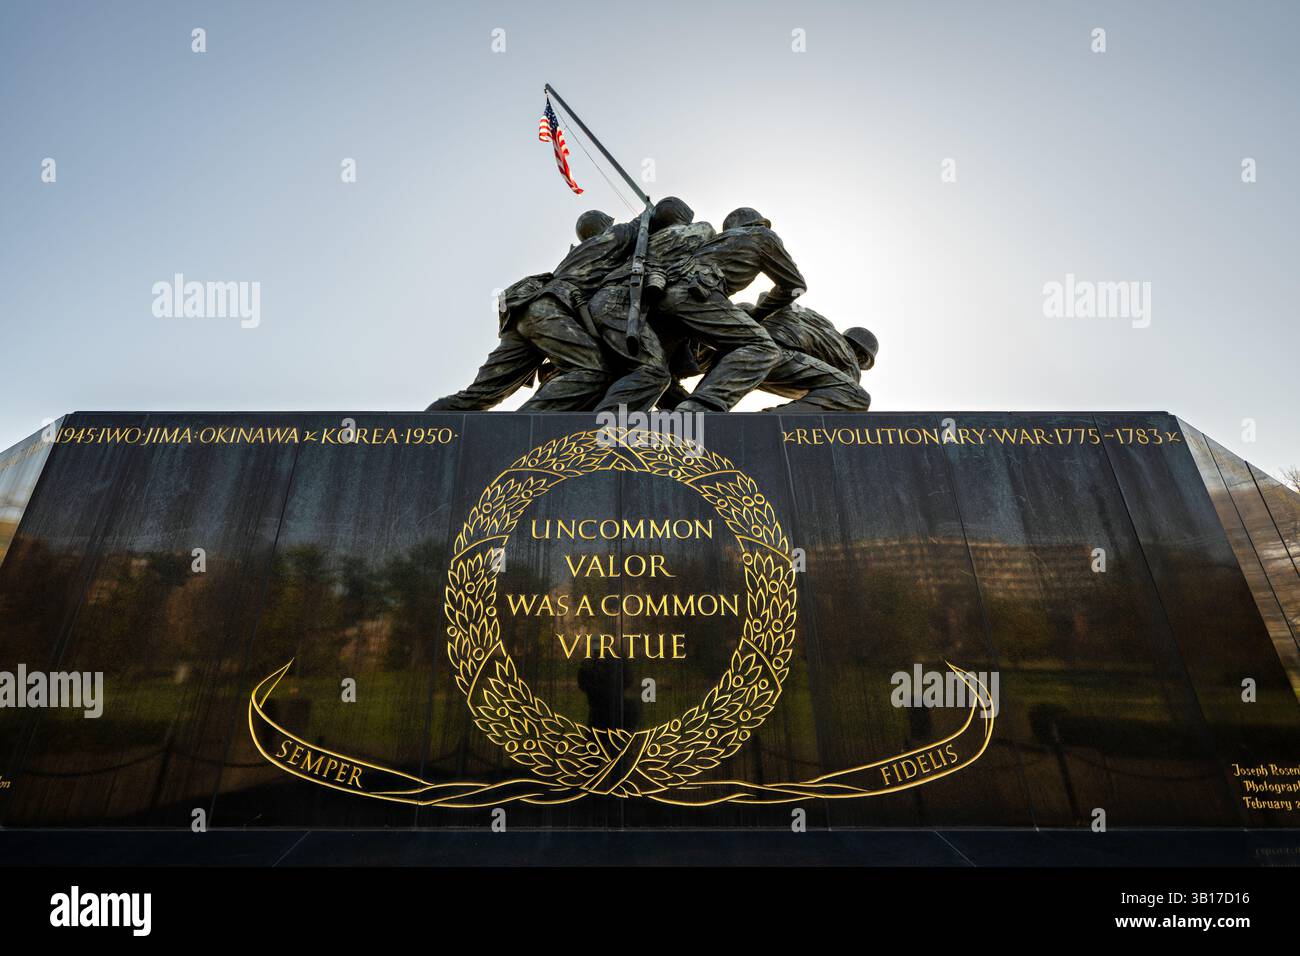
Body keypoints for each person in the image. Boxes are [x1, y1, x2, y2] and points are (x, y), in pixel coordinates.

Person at [425, 210, 636, 411]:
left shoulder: (575, 255)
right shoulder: (611, 238)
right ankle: (522, 427)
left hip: (524, 315)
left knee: (482, 394)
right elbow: (649, 219)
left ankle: (422, 432)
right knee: (595, 370)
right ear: (605, 227)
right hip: (548, 314)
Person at [650, 207, 806, 412]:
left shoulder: (714, 242)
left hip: (661, 299)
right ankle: (696, 411)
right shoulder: (762, 236)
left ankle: (677, 414)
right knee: (762, 348)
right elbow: (794, 286)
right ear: (758, 223)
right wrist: (758, 313)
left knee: (658, 372)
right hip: (695, 298)